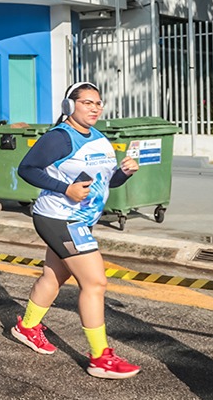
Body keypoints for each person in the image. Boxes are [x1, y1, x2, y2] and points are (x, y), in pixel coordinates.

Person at [13, 81, 141, 379]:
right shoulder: (60, 138)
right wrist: (65, 189)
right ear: (70, 106)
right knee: (95, 283)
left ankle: (27, 327)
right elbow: (26, 169)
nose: (95, 108)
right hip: (59, 218)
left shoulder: (98, 138)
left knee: (54, 275)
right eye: (87, 102)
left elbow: (106, 182)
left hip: (79, 219)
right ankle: (100, 357)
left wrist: (124, 173)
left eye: (98, 103)